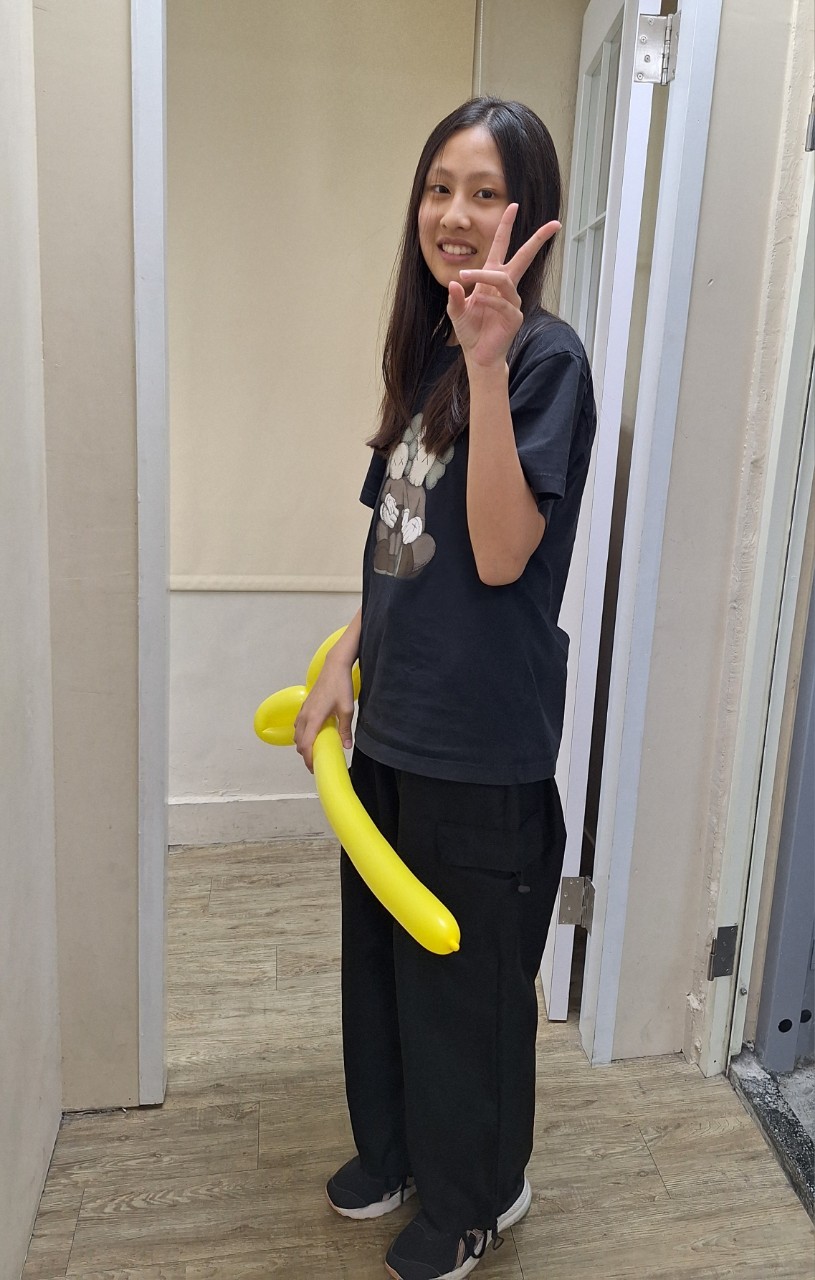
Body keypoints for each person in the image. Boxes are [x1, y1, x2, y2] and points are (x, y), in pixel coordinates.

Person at [294, 96, 597, 1280]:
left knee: (466, 994)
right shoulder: (426, 352)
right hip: (392, 727)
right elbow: (397, 549)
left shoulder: (541, 357)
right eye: (438, 188)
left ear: (529, 212)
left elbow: (503, 552)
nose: (455, 214)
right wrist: (341, 660)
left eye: (484, 192)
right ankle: (397, 1152)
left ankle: (475, 1198)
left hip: (480, 745)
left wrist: (486, 359)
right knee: (381, 966)